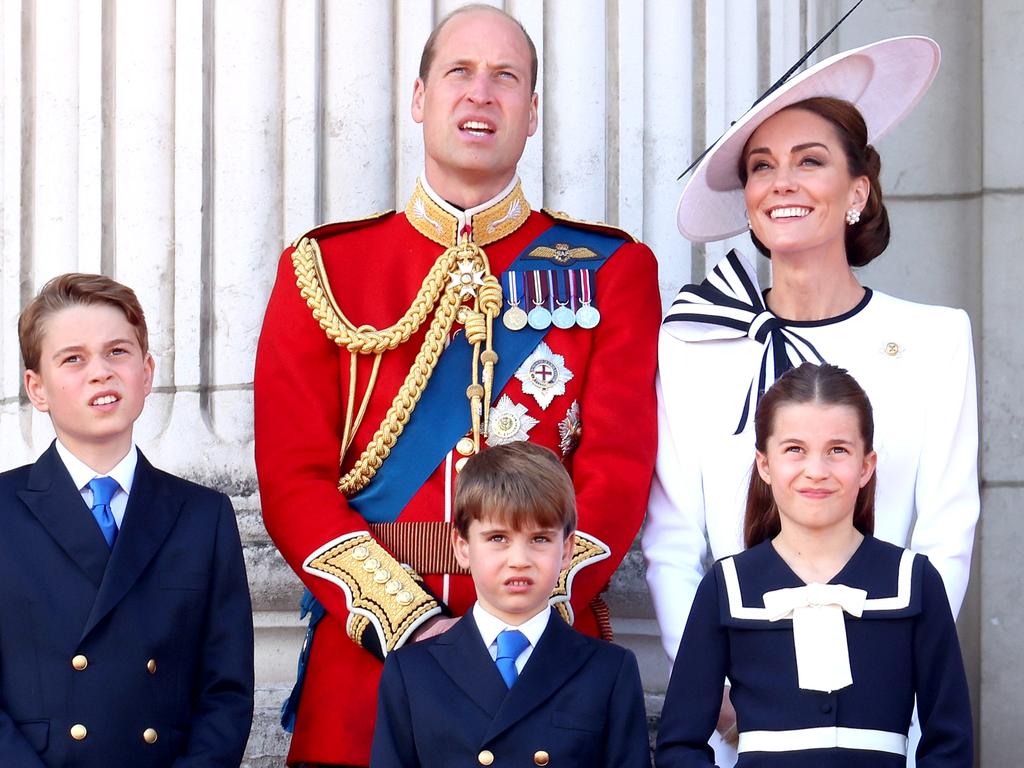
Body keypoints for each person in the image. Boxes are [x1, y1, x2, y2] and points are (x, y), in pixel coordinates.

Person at [254, 4, 659, 765]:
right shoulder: (323, 270)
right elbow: (291, 479)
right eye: (459, 73)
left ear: (531, 112)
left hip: (544, 657)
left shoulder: (611, 271)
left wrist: (530, 607)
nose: (482, 93)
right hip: (370, 658)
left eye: (506, 77)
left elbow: (618, 470)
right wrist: (405, 619)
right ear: (419, 99)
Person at [643, 36, 978, 764]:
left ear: (857, 191)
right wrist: (712, 677)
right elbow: (671, 540)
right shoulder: (694, 341)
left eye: (810, 161)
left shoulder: (935, 338)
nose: (782, 182)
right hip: (743, 713)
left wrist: (896, 672)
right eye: (763, 167)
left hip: (886, 712)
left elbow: (947, 532)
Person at [655, 363, 973, 767]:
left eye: (838, 450)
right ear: (765, 465)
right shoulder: (727, 585)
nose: (816, 471)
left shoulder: (914, 580)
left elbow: (950, 743)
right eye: (795, 450)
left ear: (866, 466)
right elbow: (679, 746)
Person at [0, 273, 254, 768]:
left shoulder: (203, 517)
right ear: (37, 388)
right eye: (73, 358)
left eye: (118, 352)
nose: (101, 372)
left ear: (146, 372)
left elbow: (226, 693)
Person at [370, 441, 651, 768]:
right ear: (462, 547)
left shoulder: (608, 670)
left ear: (567, 549)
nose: (519, 561)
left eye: (540, 539)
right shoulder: (411, 671)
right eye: (498, 538)